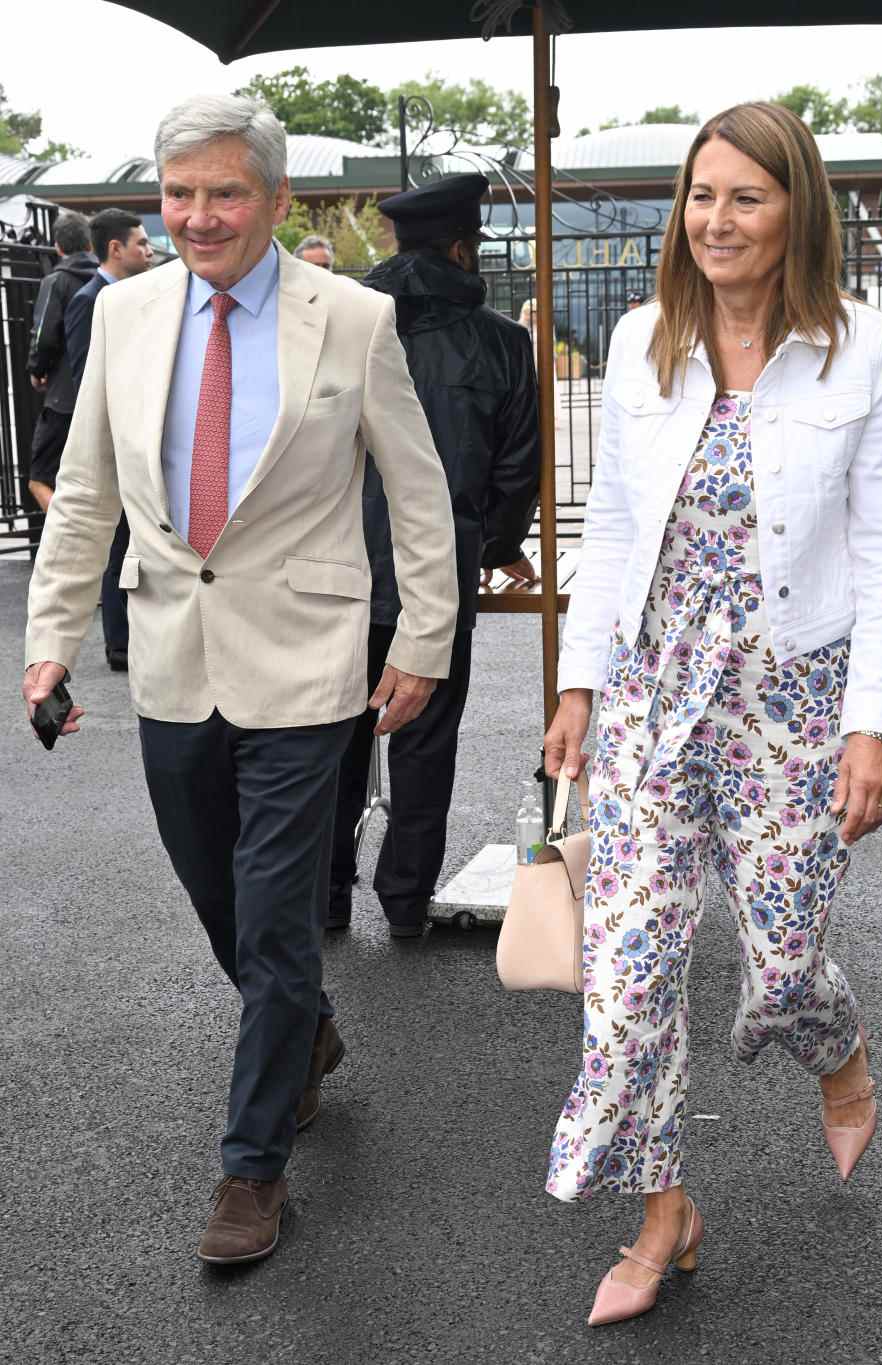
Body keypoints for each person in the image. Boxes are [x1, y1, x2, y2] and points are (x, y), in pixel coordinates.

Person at [23, 93, 458, 1266]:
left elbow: (415, 492)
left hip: (309, 665)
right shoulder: (123, 313)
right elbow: (90, 493)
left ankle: (251, 1167)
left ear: (274, 200)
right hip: (171, 656)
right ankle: (304, 1031)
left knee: (273, 917)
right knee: (217, 899)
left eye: (224, 193)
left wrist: (423, 637)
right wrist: (50, 635)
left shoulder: (353, 319)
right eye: (179, 195)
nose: (200, 217)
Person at [542, 102, 882, 1327]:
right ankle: (663, 1215)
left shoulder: (865, 353)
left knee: (783, 956)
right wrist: (578, 683)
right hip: (657, 696)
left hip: (795, 698)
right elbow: (608, 529)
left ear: (795, 208)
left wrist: (878, 727)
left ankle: (836, 1044)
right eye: (702, 196)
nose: (716, 220)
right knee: (631, 976)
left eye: (746, 197)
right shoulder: (647, 337)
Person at [328, 173, 540, 937]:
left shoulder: (338, 326)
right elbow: (517, 470)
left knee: (333, 731)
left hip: (336, 563)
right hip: (439, 567)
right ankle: (407, 900)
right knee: (423, 737)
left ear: (392, 244)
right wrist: (499, 544)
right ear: (462, 247)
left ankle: (325, 897)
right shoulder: (503, 342)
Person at [65, 208, 154, 671]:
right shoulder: (90, 298)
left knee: (132, 541)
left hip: (139, 436)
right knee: (117, 544)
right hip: (115, 440)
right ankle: (119, 643)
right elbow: (87, 375)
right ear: (115, 248)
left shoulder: (135, 297)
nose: (150, 249)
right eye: (141, 242)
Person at [25, 211, 97, 512]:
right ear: (91, 245)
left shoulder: (57, 281)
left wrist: (36, 370)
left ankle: (65, 540)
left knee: (40, 478)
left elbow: (44, 335)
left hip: (63, 399)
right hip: (101, 395)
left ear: (58, 247)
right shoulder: (107, 278)